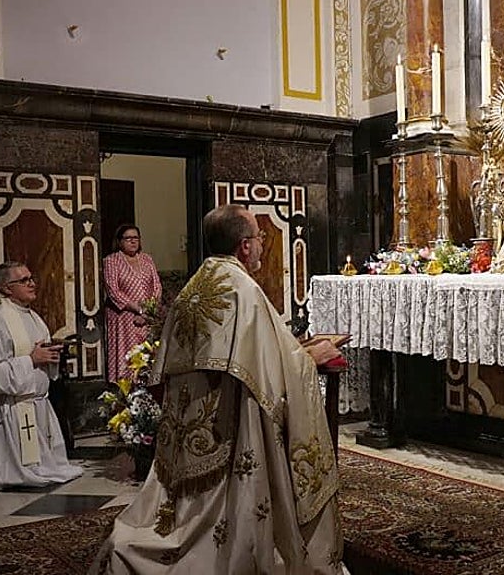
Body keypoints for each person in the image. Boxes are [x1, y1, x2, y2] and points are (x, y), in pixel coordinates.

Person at [95, 204, 345, 575]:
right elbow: (268, 368)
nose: (261, 245)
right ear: (244, 246)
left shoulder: (196, 284)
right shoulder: (243, 289)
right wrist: (311, 358)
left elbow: (245, 353)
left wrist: (293, 351)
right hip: (234, 423)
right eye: (259, 238)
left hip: (191, 426)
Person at [0, 261, 84, 489]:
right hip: (11, 407)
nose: (32, 283)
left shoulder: (34, 317)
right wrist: (32, 359)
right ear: (7, 288)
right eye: (24, 280)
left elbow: (38, 354)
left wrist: (51, 355)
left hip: (36, 403)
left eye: (31, 278)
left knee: (48, 469)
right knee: (17, 474)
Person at [102, 224, 162, 381]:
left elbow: (156, 286)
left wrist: (147, 312)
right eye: (128, 238)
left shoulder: (147, 259)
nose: (132, 241)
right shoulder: (111, 261)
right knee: (127, 359)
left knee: (147, 357)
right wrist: (138, 309)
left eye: (135, 238)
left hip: (147, 318)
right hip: (124, 318)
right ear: (120, 241)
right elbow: (113, 291)